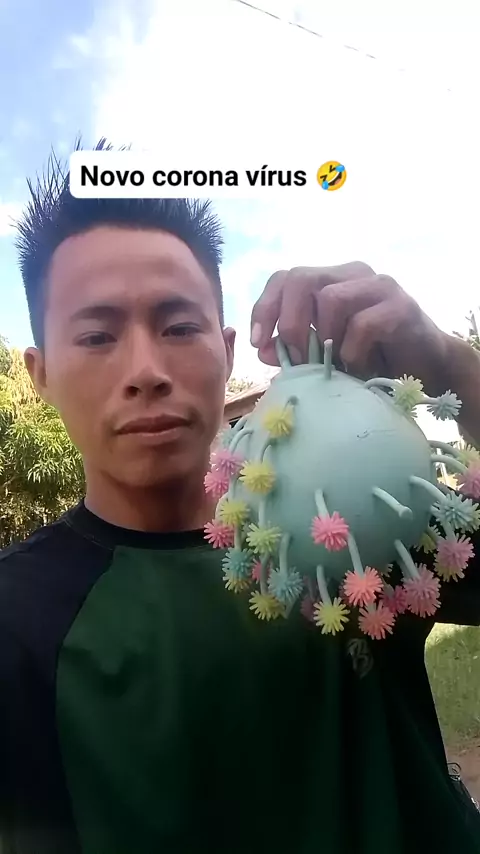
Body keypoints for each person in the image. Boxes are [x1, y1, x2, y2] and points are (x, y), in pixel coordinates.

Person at [1, 141, 479, 854]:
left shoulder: (358, 508)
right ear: (39, 374)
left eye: (179, 327)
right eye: (97, 335)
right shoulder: (17, 622)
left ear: (228, 351)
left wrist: (454, 368)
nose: (146, 370)